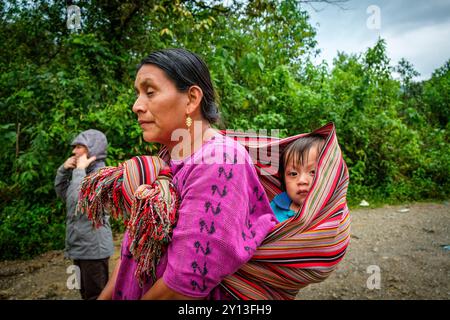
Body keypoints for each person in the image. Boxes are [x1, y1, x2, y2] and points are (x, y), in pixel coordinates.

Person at [93, 48, 278, 300]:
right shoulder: (167, 157)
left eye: (150, 92)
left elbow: (181, 286)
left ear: (191, 99)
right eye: (137, 94)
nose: (136, 106)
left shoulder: (219, 162)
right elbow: (133, 247)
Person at [54, 129, 114, 300]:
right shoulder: (84, 173)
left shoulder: (101, 175)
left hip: (94, 249)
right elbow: (64, 194)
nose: (74, 151)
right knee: (85, 293)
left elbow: (78, 203)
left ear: (92, 149)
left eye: (79, 146)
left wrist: (79, 170)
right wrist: (64, 170)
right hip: (81, 246)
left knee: (96, 295)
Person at [270, 135, 325, 223]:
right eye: (293, 174)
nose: (302, 181)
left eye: (313, 172)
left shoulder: (333, 210)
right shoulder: (274, 208)